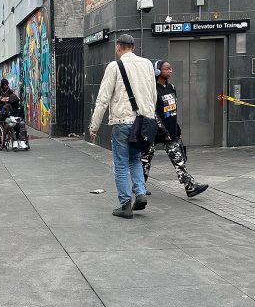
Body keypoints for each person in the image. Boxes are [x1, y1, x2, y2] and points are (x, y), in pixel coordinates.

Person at [88, 34, 156, 219]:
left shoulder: (114, 66)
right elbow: (153, 95)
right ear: (133, 47)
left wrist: (94, 126)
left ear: (118, 47)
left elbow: (103, 99)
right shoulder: (147, 64)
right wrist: (150, 116)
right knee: (135, 160)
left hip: (122, 122)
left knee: (120, 164)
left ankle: (125, 205)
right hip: (142, 122)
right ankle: (140, 193)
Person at [141, 60, 209, 198]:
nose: (170, 71)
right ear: (157, 71)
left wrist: (176, 129)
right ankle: (140, 188)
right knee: (146, 159)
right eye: (166, 69)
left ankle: (190, 187)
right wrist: (162, 130)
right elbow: (153, 113)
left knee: (179, 161)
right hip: (155, 131)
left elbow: (173, 111)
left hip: (171, 131)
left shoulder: (171, 87)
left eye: (170, 68)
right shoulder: (152, 89)